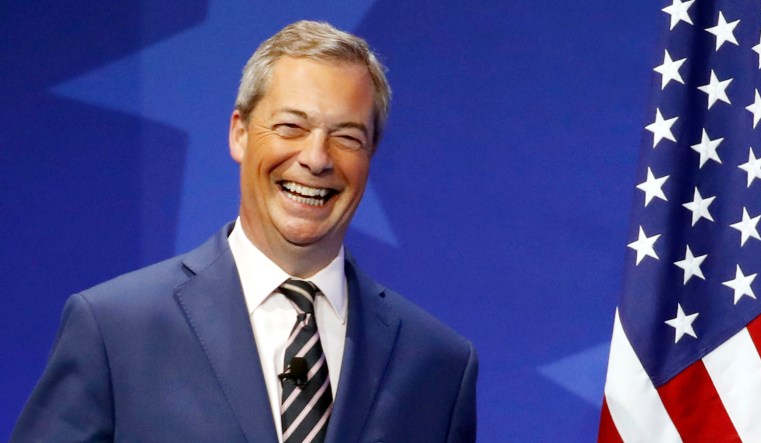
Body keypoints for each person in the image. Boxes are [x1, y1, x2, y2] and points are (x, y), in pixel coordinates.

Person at [12, 20, 477, 443]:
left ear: (370, 154)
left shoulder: (438, 366)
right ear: (239, 133)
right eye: (291, 127)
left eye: (347, 137)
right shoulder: (115, 330)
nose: (317, 158)